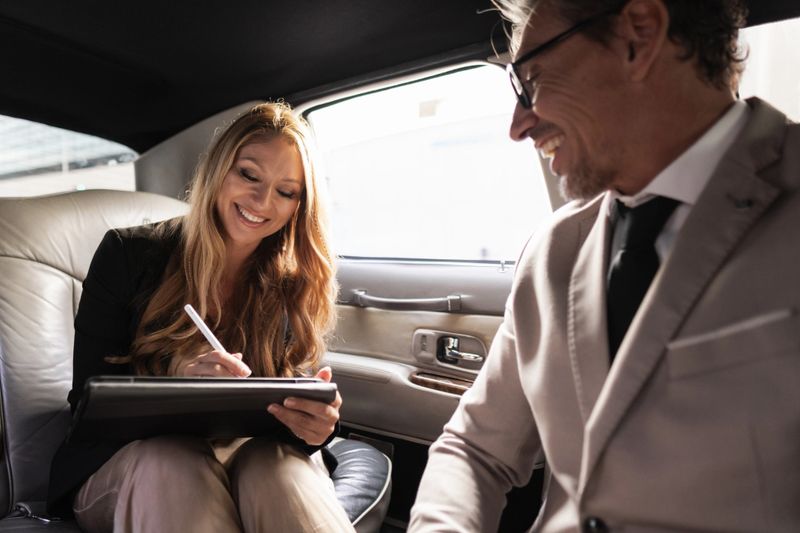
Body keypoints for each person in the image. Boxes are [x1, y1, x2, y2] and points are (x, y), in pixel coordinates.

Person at [410, 0, 800, 531]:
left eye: (531, 80)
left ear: (638, 36)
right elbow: (473, 448)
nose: (518, 126)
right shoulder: (552, 250)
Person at [47, 102, 356, 532]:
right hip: (133, 458)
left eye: (286, 192)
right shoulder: (127, 254)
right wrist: (176, 380)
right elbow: (87, 401)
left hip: (247, 454)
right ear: (218, 167)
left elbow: (289, 391)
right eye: (249, 175)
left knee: (278, 469)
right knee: (173, 463)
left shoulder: (291, 281)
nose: (262, 201)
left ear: (298, 206)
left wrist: (317, 426)